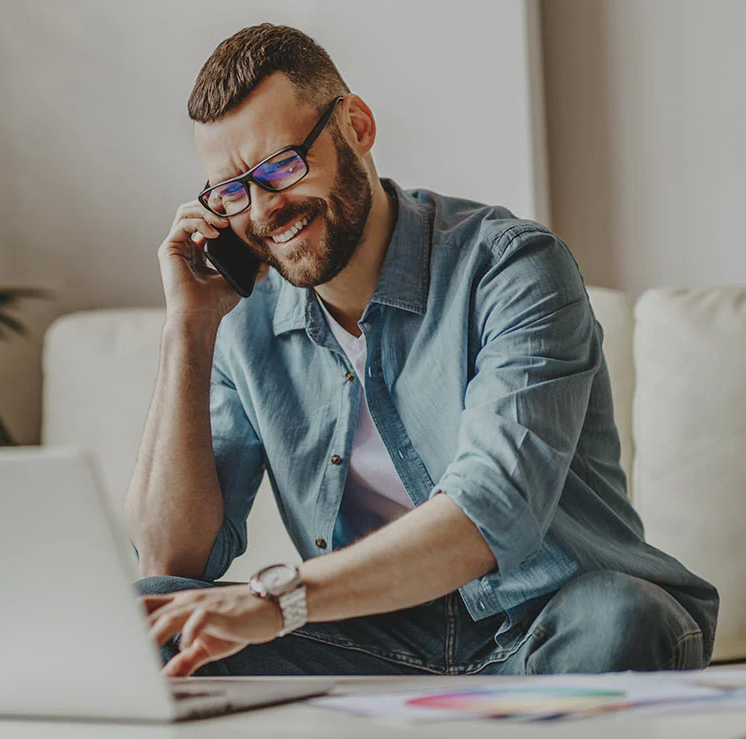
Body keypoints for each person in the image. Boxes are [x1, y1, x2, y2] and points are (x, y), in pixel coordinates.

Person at [125, 23, 718, 678]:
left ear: (356, 125)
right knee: (149, 618)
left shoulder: (512, 267)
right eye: (234, 190)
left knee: (622, 615)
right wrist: (189, 326)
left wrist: (281, 599)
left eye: (283, 165)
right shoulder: (245, 318)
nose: (264, 210)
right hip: (377, 639)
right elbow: (169, 558)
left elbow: (490, 511)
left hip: (548, 618)